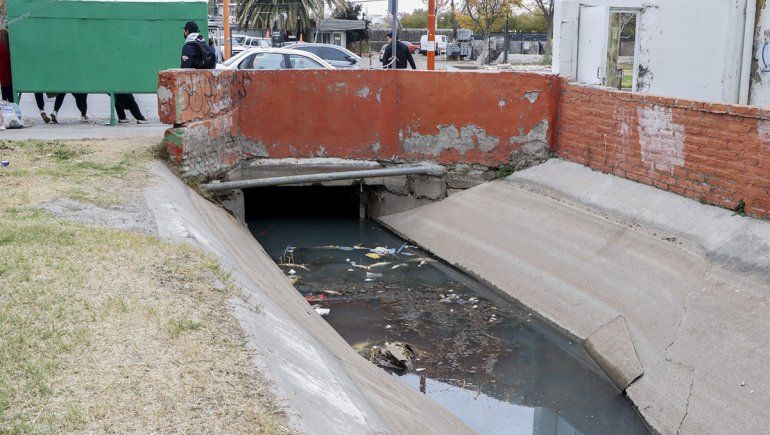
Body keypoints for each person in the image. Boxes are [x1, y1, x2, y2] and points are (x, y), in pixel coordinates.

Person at [0, 29, 13, 102]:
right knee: (11, 95)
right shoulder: (10, 46)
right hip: (10, 72)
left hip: (2, 72)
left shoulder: (0, 46)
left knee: (4, 95)